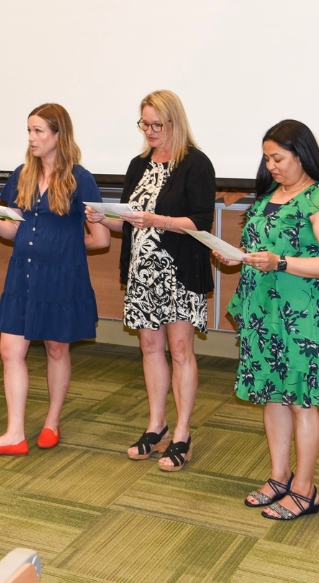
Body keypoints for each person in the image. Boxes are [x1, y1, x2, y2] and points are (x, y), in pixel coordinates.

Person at [216, 120, 319, 520]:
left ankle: (306, 489)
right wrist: (237, 255)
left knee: (300, 400)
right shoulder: (270, 197)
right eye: (266, 158)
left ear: (301, 155)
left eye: (278, 158)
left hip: (298, 315)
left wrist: (281, 262)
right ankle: (280, 477)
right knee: (271, 395)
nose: (271, 166)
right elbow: (262, 245)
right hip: (262, 312)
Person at [86, 90, 215, 471]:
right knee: (149, 347)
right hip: (143, 273)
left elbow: (200, 223)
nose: (150, 131)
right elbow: (129, 223)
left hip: (179, 271)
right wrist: (102, 219)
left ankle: (183, 434)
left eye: (157, 124)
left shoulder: (196, 164)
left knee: (180, 349)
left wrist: (157, 221)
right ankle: (157, 426)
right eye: (144, 124)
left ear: (175, 122)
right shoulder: (138, 164)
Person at [0, 103, 109, 456]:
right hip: (23, 272)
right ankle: (14, 433)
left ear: (58, 135)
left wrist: (62, 243)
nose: (31, 138)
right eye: (29, 131)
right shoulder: (22, 174)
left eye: (39, 131)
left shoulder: (81, 178)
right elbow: (10, 231)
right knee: (9, 350)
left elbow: (102, 238)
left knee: (56, 347)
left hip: (62, 277)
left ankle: (51, 422)